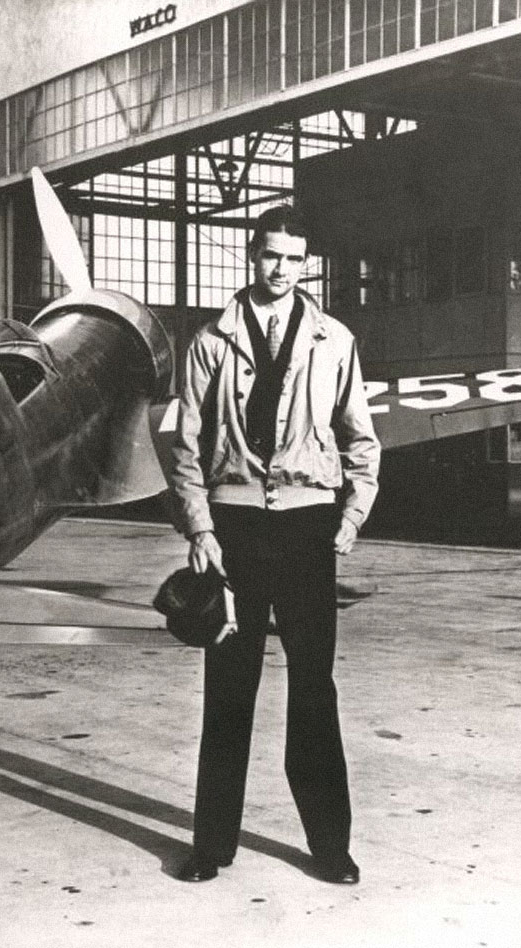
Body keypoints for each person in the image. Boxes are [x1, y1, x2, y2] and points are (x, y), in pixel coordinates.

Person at [169, 205, 380, 885]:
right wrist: (200, 526)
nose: (280, 269)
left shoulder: (335, 341)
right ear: (249, 257)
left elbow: (361, 442)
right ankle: (212, 845)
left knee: (313, 690)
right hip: (233, 530)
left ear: (305, 261)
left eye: (293, 258)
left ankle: (329, 846)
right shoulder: (209, 342)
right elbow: (186, 447)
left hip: (307, 528)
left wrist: (347, 522)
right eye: (269, 256)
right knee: (229, 690)